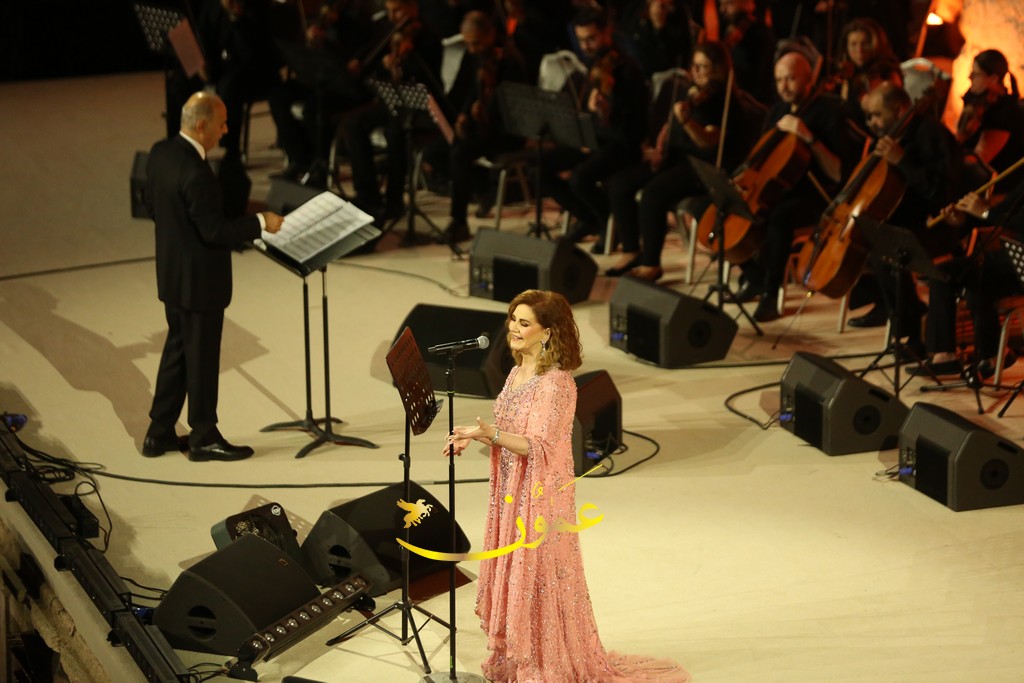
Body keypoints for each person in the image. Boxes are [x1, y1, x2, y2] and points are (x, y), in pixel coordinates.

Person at [445, 289, 689, 682]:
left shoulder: (556, 384)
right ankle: (521, 659)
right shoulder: (516, 372)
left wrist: (492, 435)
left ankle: (546, 665)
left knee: (536, 576)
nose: (513, 329)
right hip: (511, 492)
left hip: (539, 498)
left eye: (524, 323)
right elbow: (510, 433)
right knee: (519, 573)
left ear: (547, 332)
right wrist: (475, 436)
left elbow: (540, 447)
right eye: (513, 319)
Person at [142, 92, 284, 462]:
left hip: (172, 277)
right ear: (202, 125)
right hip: (200, 284)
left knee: (178, 351)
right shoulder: (196, 172)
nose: (225, 130)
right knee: (201, 360)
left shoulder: (160, 153)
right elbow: (216, 231)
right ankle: (203, 436)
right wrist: (260, 222)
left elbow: (150, 205)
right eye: (221, 124)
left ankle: (159, 433)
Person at [606, 41, 758, 280]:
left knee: (653, 194)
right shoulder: (693, 93)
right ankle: (631, 250)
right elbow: (671, 127)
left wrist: (687, 121)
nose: (696, 72)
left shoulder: (724, 100)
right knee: (620, 184)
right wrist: (660, 145)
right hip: (676, 158)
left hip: (701, 168)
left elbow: (708, 141)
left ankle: (651, 265)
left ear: (719, 69)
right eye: (694, 65)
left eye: (703, 67)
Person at [734, 50, 855, 322]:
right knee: (735, 206)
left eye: (790, 79)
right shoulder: (777, 111)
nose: (784, 86)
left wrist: (809, 137)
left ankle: (771, 293)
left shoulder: (828, 110)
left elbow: (838, 172)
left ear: (808, 79)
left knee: (779, 217)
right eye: (779, 80)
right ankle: (753, 276)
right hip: (778, 189)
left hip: (817, 195)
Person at [542, 7, 649, 248]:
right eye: (581, 40)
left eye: (591, 39)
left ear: (606, 32)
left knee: (580, 178)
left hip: (621, 145)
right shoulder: (596, 64)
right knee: (539, 166)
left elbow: (632, 126)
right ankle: (589, 217)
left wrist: (605, 111)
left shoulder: (627, 70)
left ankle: (608, 223)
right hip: (595, 139)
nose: (585, 46)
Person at [444, 11, 528, 244]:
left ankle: (459, 221)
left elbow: (514, 108)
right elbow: (471, 89)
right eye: (468, 44)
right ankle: (482, 187)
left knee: (459, 153)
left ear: (491, 34)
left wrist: (487, 109)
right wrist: (464, 113)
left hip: (507, 132)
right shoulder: (478, 56)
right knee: (440, 149)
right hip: (485, 127)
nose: (472, 49)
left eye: (477, 43)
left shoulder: (509, 60)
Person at [956, 49, 1024, 194]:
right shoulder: (975, 98)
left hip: (992, 185)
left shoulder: (1005, 112)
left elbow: (979, 160)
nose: (970, 77)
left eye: (976, 74)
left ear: (994, 79)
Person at [828, 17, 902, 131]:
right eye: (853, 44)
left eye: (865, 43)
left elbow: (883, 114)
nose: (859, 50)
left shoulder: (886, 72)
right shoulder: (847, 72)